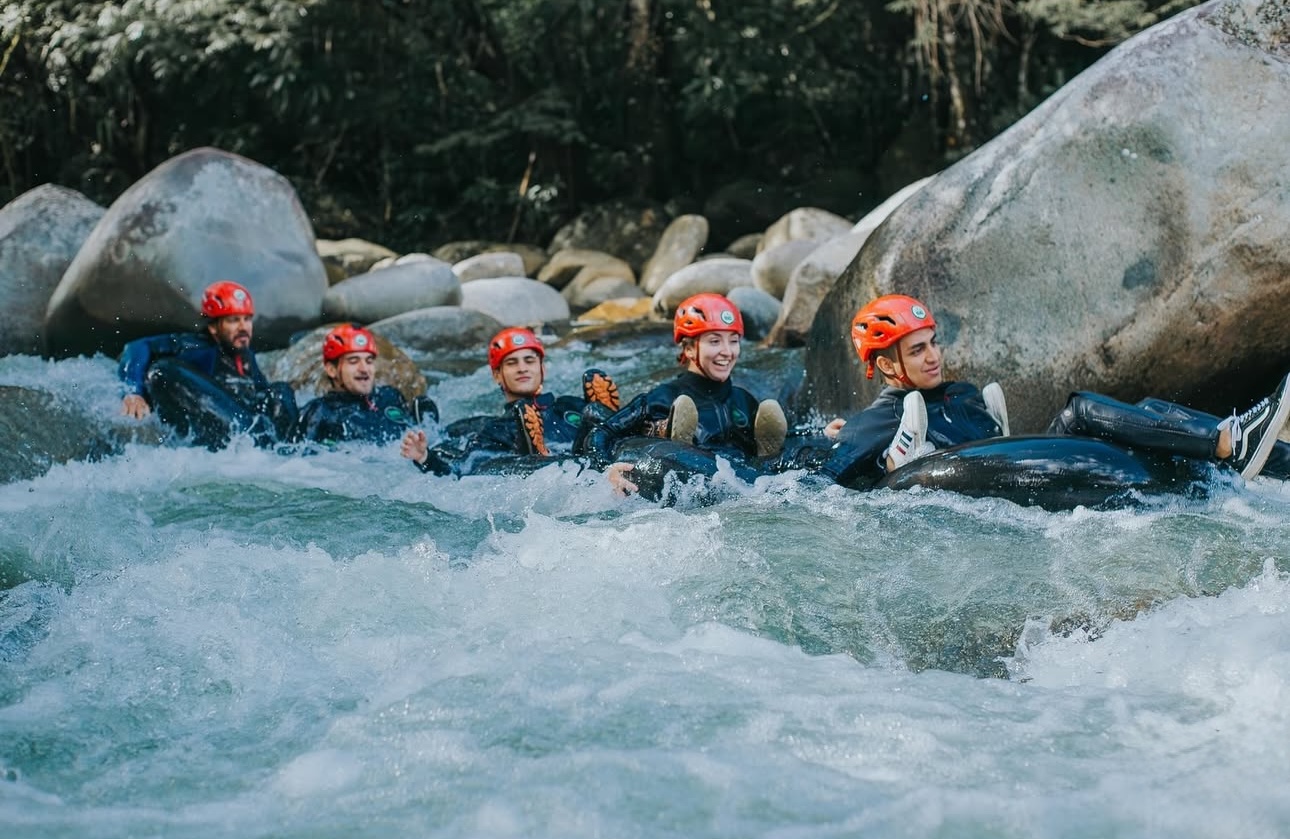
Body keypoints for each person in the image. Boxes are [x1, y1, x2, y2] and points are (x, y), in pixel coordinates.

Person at [815, 293, 1290, 488]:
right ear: (886, 365)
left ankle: (1268, 455)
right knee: (1080, 409)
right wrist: (858, 454)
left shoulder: (960, 394)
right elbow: (818, 482)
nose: (934, 356)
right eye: (917, 351)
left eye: (934, 343)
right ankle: (1225, 443)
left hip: (1016, 469)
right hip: (980, 489)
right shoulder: (878, 421)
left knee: (1147, 409)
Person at [583, 293, 788, 496]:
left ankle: (765, 453)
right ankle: (673, 438)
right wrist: (605, 468)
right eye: (715, 342)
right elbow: (601, 432)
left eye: (733, 341)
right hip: (690, 474)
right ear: (689, 349)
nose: (727, 351)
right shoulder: (662, 397)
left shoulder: (743, 400)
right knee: (671, 435)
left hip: (742, 479)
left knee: (766, 448)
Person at [399, 326, 620, 475]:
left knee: (592, 415)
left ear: (542, 368)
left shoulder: (570, 405)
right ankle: (536, 455)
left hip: (589, 453)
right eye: (512, 363)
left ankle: (609, 423)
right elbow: (464, 469)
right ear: (497, 375)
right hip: (548, 470)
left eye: (529, 361)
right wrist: (424, 457)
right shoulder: (496, 428)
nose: (522, 368)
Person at [118, 280, 297, 449]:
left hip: (248, 429)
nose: (243, 327)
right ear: (213, 327)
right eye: (234, 320)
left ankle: (290, 450)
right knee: (162, 370)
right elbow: (136, 347)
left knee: (281, 391)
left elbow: (261, 395)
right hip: (222, 433)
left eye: (247, 319)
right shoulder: (196, 346)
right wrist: (134, 391)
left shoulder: (246, 357)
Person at [292, 324, 438, 447]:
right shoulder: (319, 413)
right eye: (353, 361)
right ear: (332, 370)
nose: (364, 369)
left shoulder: (390, 397)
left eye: (369, 361)